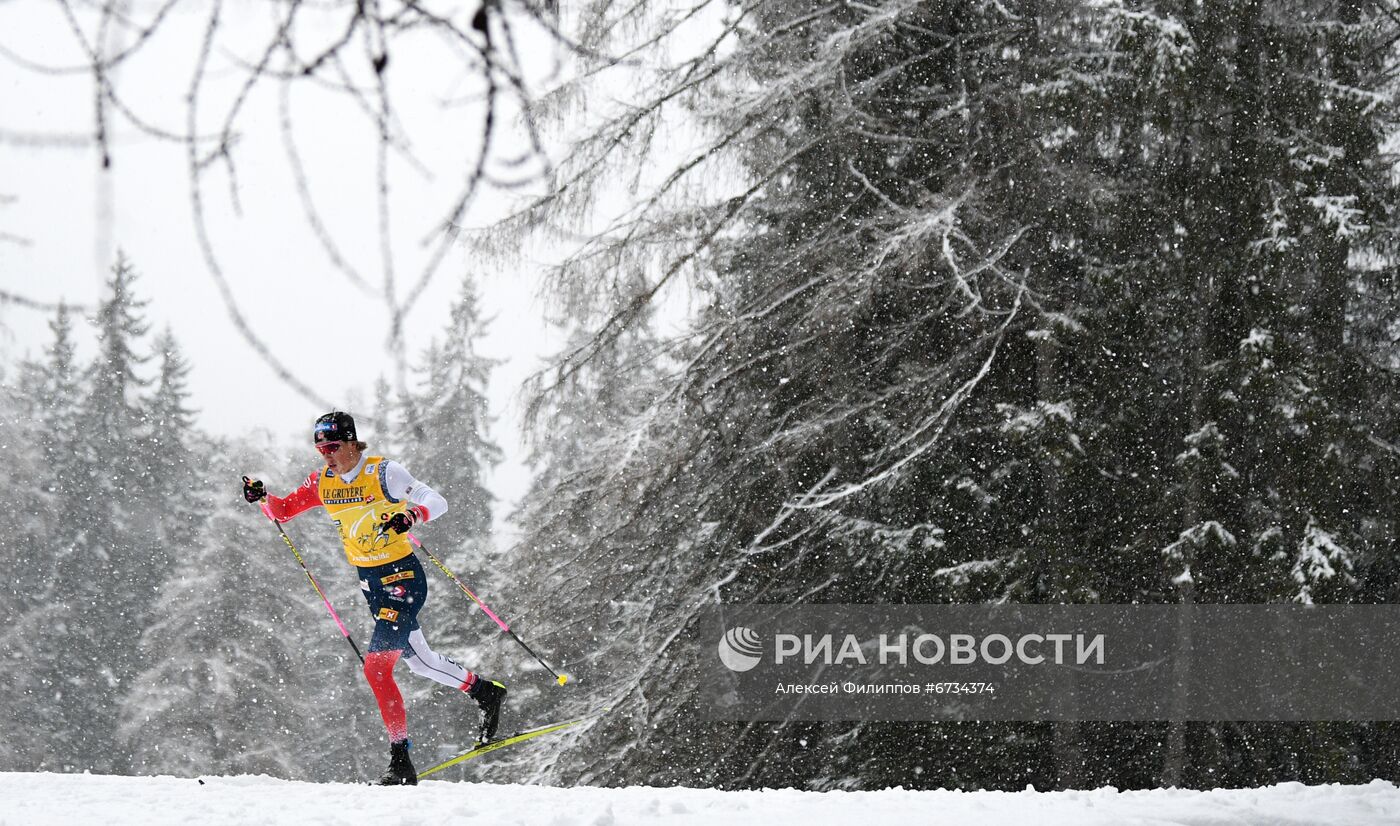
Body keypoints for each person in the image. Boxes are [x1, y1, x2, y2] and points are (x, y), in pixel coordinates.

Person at [242, 411, 506, 786]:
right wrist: (262, 496)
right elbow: (282, 511)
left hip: (403, 578)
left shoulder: (384, 472)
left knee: (376, 668)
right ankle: (485, 693)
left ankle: (400, 762)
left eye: (333, 446)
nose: (326, 454)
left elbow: (437, 500)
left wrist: (413, 515)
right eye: (320, 448)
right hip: (371, 583)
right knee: (421, 663)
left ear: (352, 441)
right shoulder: (322, 481)